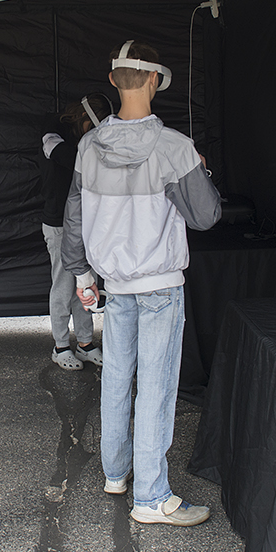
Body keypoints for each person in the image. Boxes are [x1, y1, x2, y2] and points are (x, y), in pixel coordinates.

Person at [61, 41, 221, 526]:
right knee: (155, 387)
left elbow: (74, 215)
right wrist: (198, 170)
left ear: (114, 80)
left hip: (114, 281)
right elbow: (206, 216)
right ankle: (152, 498)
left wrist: (82, 274)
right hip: (159, 284)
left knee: (116, 376)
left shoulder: (88, 146)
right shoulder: (174, 147)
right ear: (154, 80)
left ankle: (116, 472)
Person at [40, 95, 111, 371]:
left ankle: (85, 343)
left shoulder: (86, 142)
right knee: (63, 285)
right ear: (85, 120)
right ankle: (60, 346)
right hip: (58, 224)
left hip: (83, 223)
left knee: (85, 283)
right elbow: (67, 157)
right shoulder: (52, 133)